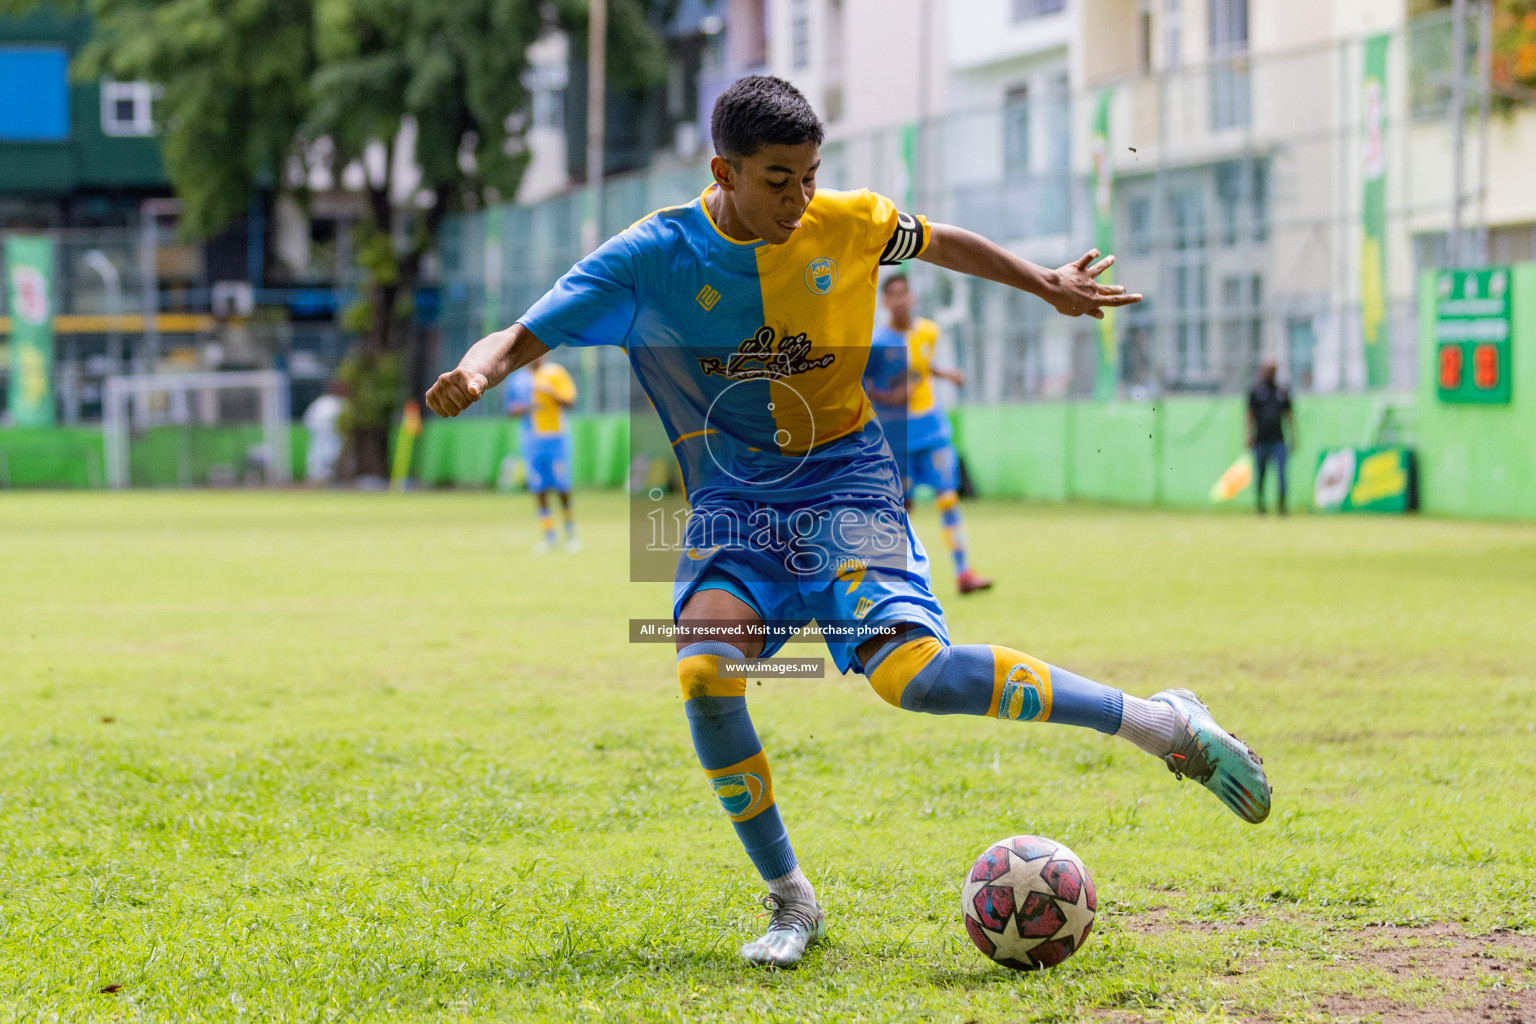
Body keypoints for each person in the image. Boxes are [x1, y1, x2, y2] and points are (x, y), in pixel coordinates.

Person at [427, 76, 1270, 970]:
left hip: (846, 481)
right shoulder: (649, 256)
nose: (801, 199)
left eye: (811, 175)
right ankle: (792, 898)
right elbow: (522, 334)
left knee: (913, 678)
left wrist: (1046, 285)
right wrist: (477, 375)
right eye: (779, 179)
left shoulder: (849, 220)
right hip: (732, 509)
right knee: (704, 671)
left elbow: (938, 240)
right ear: (725, 170)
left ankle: (1163, 725)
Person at [863, 274, 992, 594]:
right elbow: (864, 385)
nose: (900, 300)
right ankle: (899, 579)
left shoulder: (928, 332)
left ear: (913, 296)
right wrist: (889, 398)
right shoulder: (877, 343)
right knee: (901, 509)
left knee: (948, 497)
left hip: (932, 430)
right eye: (892, 295)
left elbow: (921, 365)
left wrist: (947, 375)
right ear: (884, 302)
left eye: (904, 293)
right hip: (899, 438)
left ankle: (964, 573)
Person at [504, 354, 580, 552]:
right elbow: (510, 410)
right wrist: (528, 407)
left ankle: (571, 534)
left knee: (563, 487)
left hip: (557, 438)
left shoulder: (556, 373)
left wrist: (552, 393)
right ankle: (549, 536)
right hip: (531, 440)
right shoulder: (518, 379)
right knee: (539, 489)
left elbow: (571, 401)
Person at [1247, 357, 1295, 515]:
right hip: (1261, 440)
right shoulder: (1256, 391)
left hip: (1278, 440)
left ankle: (1282, 506)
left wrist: (1293, 437)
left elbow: (1289, 415)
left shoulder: (1281, 391)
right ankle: (1260, 505)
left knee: (1282, 474)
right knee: (1261, 476)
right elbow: (1250, 415)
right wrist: (1249, 436)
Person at [303, 380, 347, 485]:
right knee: (319, 458)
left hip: (334, 438)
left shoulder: (341, 403)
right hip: (320, 437)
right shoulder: (322, 403)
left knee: (331, 457)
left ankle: (330, 480)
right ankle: (317, 480)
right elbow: (309, 421)